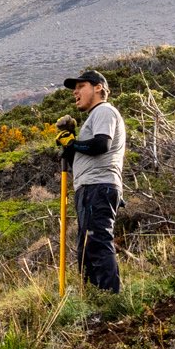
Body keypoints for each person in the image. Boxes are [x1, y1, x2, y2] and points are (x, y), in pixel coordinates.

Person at [59, 68, 127, 293]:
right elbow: (78, 158)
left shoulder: (104, 111)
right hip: (90, 187)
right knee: (87, 249)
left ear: (98, 87)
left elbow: (101, 145)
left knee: (96, 243)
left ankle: (109, 299)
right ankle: (96, 299)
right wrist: (70, 143)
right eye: (74, 89)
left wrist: (73, 143)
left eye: (81, 87)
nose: (75, 92)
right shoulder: (94, 116)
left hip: (98, 186)